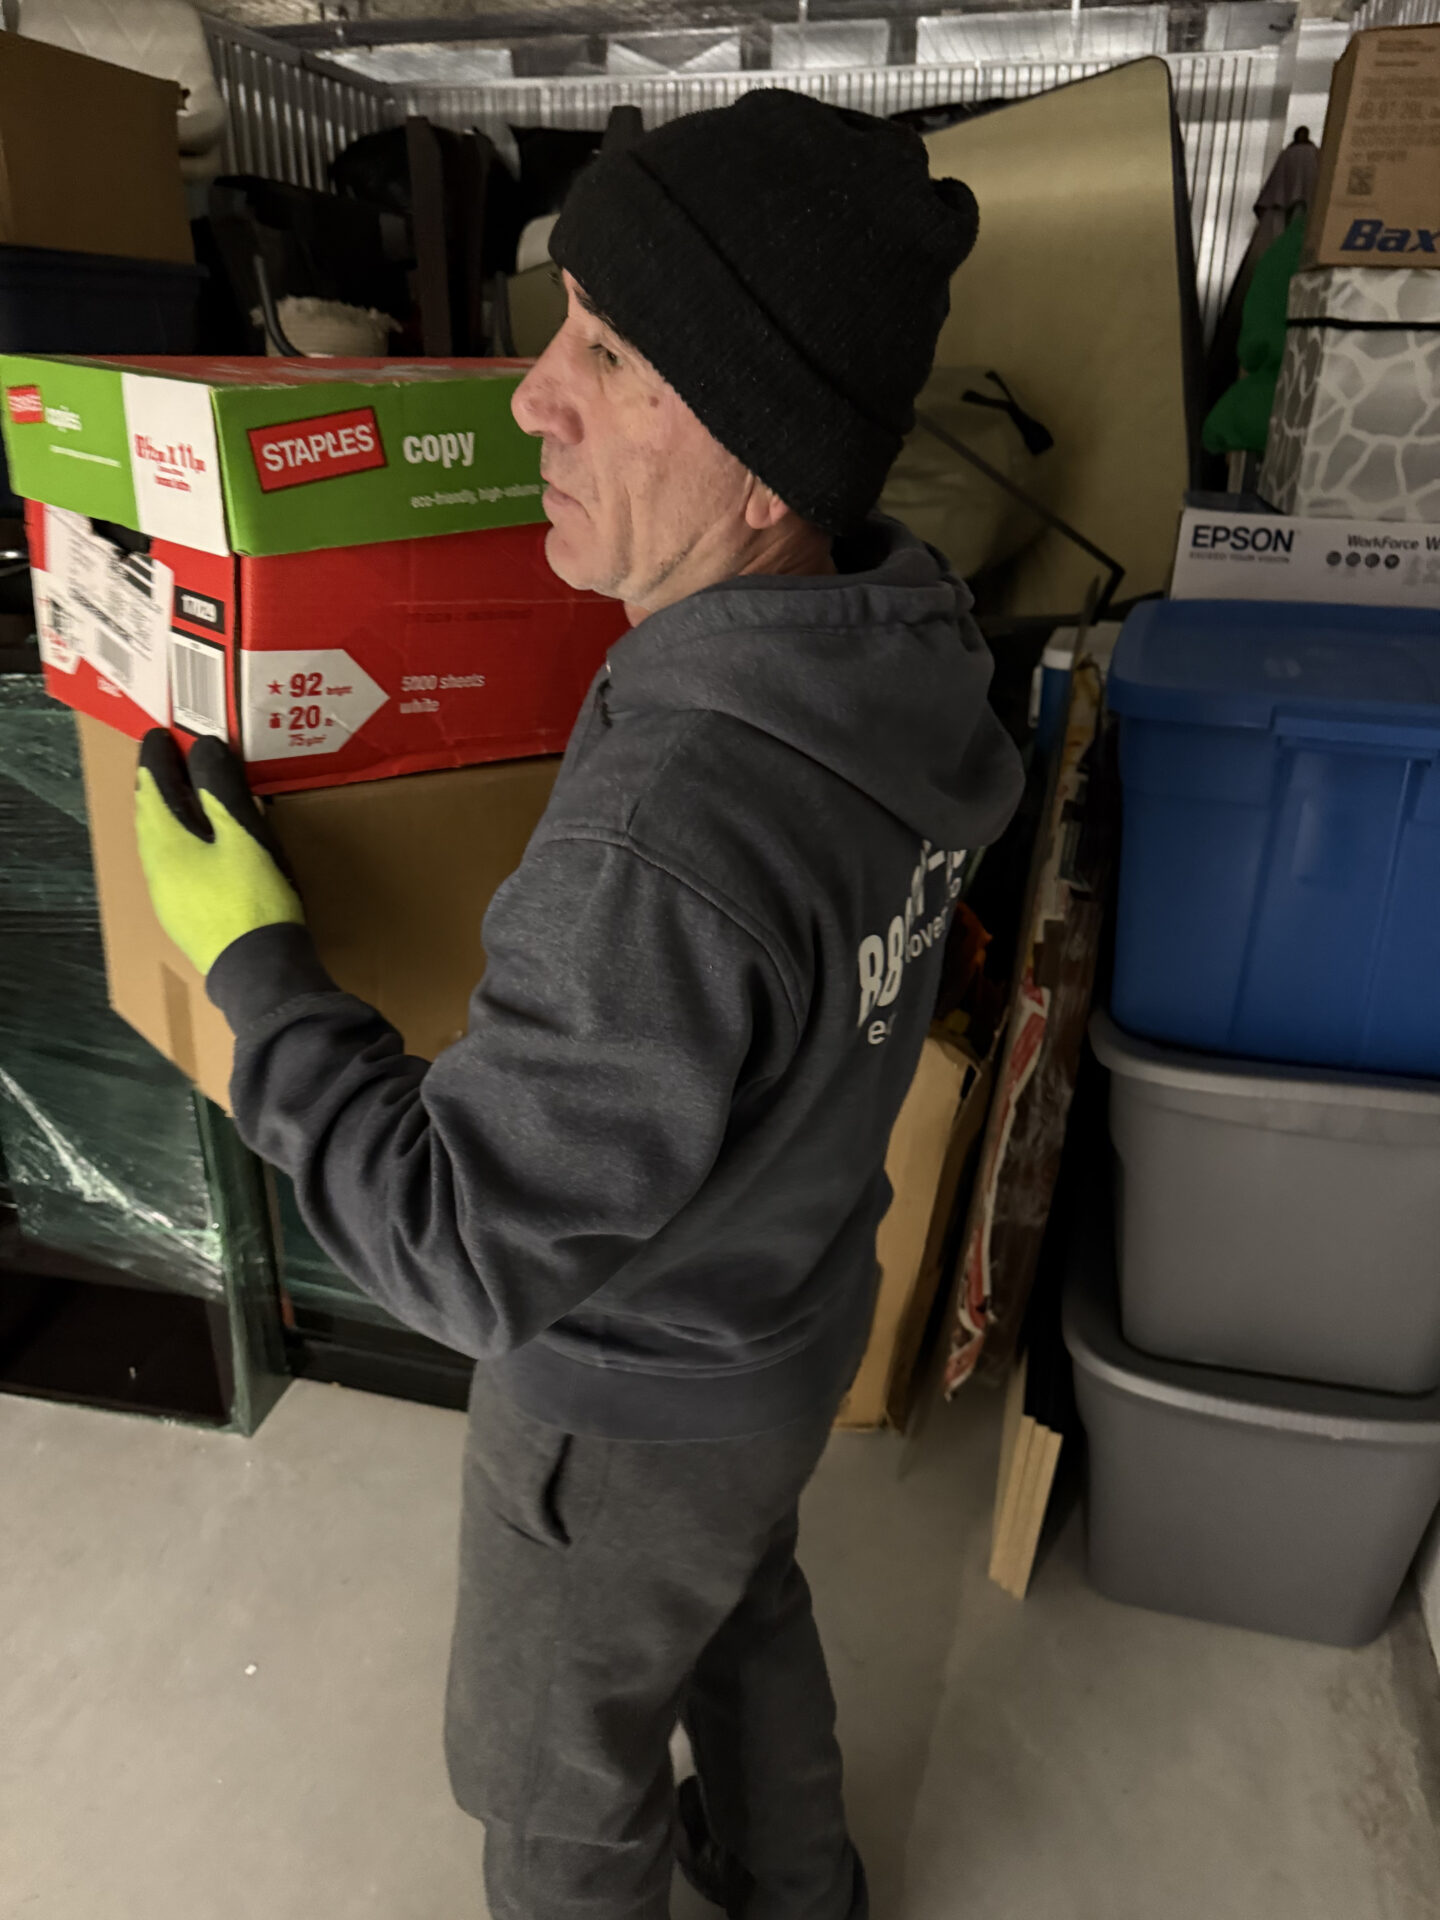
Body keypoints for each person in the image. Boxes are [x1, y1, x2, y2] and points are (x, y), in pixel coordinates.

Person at [134, 89, 1024, 1920]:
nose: (529, 392)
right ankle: (805, 1892)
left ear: (764, 460)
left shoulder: (676, 822)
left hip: (625, 1397)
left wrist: (253, 972)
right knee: (740, 1607)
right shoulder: (911, 648)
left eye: (606, 353)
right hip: (782, 1335)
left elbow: (464, 1249)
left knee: (556, 1771)